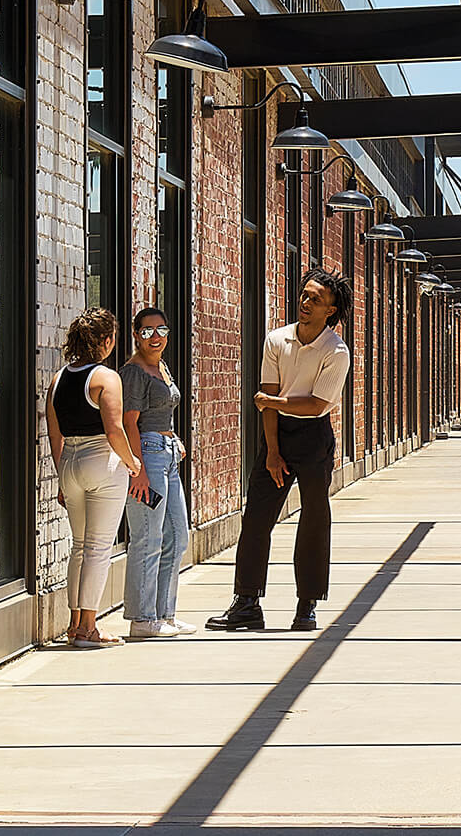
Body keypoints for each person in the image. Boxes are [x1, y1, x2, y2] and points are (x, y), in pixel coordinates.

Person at [210, 269, 354, 633]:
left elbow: (316, 404)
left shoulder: (335, 351)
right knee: (257, 518)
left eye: (315, 300)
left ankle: (306, 604)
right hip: (277, 435)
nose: (305, 303)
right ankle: (246, 602)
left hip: (314, 438)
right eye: (304, 296)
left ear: (331, 309)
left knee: (314, 520)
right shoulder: (277, 340)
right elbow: (268, 403)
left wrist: (271, 401)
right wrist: (272, 451)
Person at [45, 307, 143, 649]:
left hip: (69, 462)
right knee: (99, 547)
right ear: (106, 340)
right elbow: (115, 430)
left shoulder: (58, 379)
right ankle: (90, 628)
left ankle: (74, 624)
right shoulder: (105, 377)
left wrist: (61, 475)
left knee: (79, 546)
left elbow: (54, 435)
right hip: (101, 459)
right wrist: (132, 463)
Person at [117, 306, 192, 638]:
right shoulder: (134, 372)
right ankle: (142, 619)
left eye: (162, 330)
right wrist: (139, 471)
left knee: (177, 536)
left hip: (167, 454)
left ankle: (165, 614)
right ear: (136, 335)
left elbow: (162, 411)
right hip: (146, 455)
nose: (156, 337)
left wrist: (174, 439)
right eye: (147, 331)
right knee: (148, 538)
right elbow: (129, 423)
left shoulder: (160, 366)